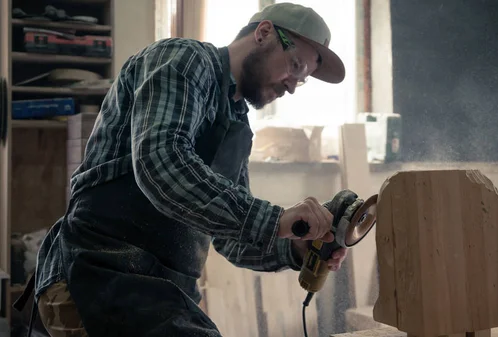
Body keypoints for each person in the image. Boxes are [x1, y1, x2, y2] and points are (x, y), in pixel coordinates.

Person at [14, 2, 349, 337]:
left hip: (162, 293)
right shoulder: (184, 60)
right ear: (263, 33)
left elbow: (230, 238)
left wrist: (293, 246)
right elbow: (160, 163)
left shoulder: (237, 125)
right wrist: (275, 219)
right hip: (96, 271)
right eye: (295, 65)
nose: (291, 86)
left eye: (300, 81)